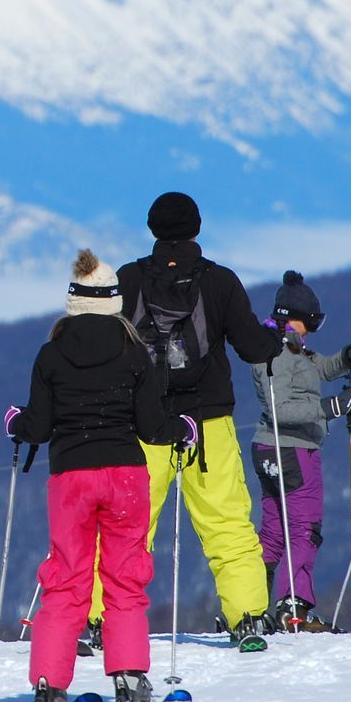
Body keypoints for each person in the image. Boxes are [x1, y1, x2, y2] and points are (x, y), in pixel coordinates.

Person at [88, 191, 283, 651]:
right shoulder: (219, 281)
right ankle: (248, 618)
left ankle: (100, 618)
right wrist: (273, 342)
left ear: (153, 229)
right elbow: (253, 347)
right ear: (197, 228)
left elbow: (104, 346)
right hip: (207, 420)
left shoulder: (129, 279)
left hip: (142, 424)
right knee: (226, 522)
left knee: (126, 526)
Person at [8, 250, 193, 702]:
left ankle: (50, 684)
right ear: (114, 302)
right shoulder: (134, 354)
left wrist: (16, 423)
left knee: (67, 580)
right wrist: (183, 428)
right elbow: (152, 426)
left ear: (73, 301)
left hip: (70, 476)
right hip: (126, 475)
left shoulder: (51, 354)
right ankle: (130, 677)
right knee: (125, 578)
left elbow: (39, 426)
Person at [247, 271, 351, 632]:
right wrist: (332, 408)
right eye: (313, 322)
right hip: (293, 451)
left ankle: (253, 602)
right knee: (305, 530)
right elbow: (281, 409)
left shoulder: (284, 344)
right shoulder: (278, 352)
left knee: (273, 534)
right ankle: (292, 607)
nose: (314, 330)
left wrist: (346, 360)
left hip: (267, 449)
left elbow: (316, 368)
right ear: (299, 317)